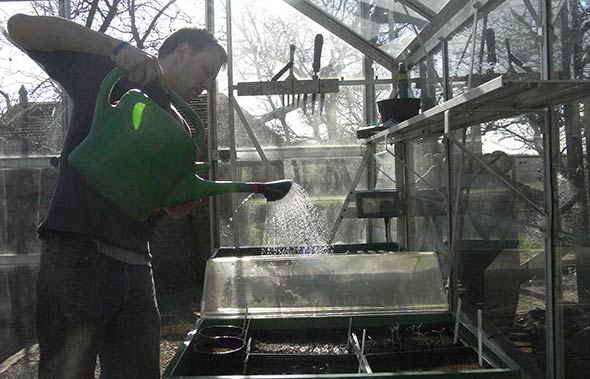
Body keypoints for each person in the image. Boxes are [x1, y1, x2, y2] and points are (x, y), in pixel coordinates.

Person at [6, 13, 227, 379]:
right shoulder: (114, 79)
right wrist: (117, 48)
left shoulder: (181, 127)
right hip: (78, 259)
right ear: (183, 52)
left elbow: (146, 202)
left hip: (138, 269)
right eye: (205, 71)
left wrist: (172, 207)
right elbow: (18, 26)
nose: (206, 86)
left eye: (212, 79)